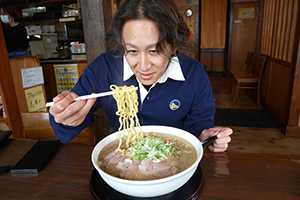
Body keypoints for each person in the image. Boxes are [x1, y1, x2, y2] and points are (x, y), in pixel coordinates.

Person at [49, 0, 232, 152]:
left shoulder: (193, 74)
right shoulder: (103, 69)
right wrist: (64, 116)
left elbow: (199, 125)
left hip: (173, 159)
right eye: (132, 51)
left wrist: (206, 136)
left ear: (174, 46)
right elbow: (66, 125)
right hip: (123, 159)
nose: (143, 66)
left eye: (154, 51)